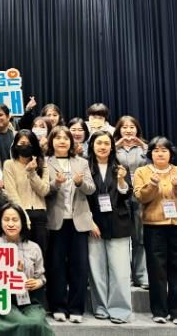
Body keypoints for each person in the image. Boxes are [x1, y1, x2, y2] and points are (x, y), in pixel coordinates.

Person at [45, 126, 95, 323]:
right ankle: (58, 306)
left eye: (66, 138)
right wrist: (55, 184)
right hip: (55, 222)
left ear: (71, 142)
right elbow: (43, 191)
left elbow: (91, 189)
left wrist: (80, 183)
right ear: (51, 141)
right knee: (56, 266)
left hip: (78, 221)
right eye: (57, 138)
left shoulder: (82, 162)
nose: (62, 141)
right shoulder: (45, 163)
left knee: (79, 267)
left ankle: (76, 309)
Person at [86, 131, 133, 323]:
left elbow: (126, 194)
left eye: (107, 143)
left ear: (112, 146)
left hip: (118, 224)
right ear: (92, 145)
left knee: (120, 271)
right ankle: (100, 307)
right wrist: (89, 221)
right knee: (97, 270)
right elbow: (81, 197)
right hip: (93, 224)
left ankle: (120, 310)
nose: (103, 147)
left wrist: (121, 179)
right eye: (99, 143)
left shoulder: (120, 167)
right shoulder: (85, 166)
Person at [0, 203, 53, 336]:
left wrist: (37, 282)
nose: (10, 224)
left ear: (22, 222)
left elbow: (41, 277)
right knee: (22, 323)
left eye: (15, 220)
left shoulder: (34, 247)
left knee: (37, 323)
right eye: (6, 220)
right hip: (2, 300)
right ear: (0, 222)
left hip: (28, 300)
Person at [132, 136, 177, 324]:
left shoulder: (176, 171)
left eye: (164, 150)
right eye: (156, 150)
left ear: (171, 153)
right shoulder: (142, 172)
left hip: (175, 226)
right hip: (154, 226)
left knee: (175, 269)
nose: (160, 154)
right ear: (150, 153)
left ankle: (175, 311)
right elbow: (140, 197)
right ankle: (159, 311)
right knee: (156, 270)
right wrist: (152, 184)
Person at [113, 115, 149, 289]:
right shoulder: (113, 146)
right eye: (124, 127)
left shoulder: (144, 147)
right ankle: (124, 276)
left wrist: (142, 144)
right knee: (122, 239)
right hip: (119, 196)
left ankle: (141, 276)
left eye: (132, 127)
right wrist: (116, 145)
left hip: (140, 196)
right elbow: (100, 158)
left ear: (137, 129)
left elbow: (157, 158)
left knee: (140, 238)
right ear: (119, 129)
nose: (128, 130)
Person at [3, 130, 49, 254]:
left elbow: (44, 191)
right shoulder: (9, 164)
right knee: (19, 254)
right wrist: (23, 216)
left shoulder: (42, 163)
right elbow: (12, 193)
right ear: (15, 146)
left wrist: (32, 172)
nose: (25, 146)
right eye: (22, 143)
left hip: (39, 215)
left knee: (40, 254)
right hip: (19, 215)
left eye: (29, 144)